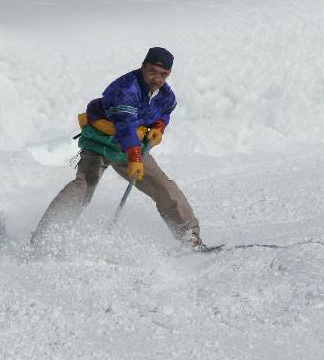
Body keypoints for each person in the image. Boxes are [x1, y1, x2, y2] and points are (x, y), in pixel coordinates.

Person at [31, 47, 203, 249]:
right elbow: (125, 125)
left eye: (163, 74)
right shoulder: (126, 89)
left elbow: (166, 110)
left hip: (130, 147)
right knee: (83, 185)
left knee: (163, 186)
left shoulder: (165, 94)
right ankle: (44, 238)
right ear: (143, 67)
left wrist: (159, 126)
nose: (157, 78)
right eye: (152, 71)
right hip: (100, 142)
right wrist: (135, 157)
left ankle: (189, 236)